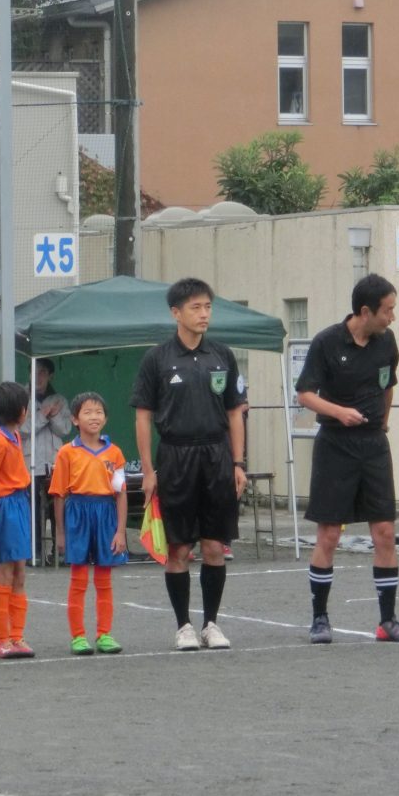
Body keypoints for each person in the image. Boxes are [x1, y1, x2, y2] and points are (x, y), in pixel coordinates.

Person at [295, 273, 399, 644]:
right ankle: (319, 619)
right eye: (388, 310)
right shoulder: (327, 342)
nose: (392, 317)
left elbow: (388, 386)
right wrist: (340, 412)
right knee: (329, 534)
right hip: (335, 445)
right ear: (366, 311)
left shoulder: (387, 342)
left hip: (374, 446)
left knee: (385, 532)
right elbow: (305, 394)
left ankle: (387, 621)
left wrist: (383, 422)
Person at [131, 278, 247, 652]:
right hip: (176, 458)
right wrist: (149, 470)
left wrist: (238, 463)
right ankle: (183, 626)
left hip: (216, 457)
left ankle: (211, 623)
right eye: (196, 307)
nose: (204, 314)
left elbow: (235, 412)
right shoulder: (157, 359)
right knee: (178, 549)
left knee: (214, 546)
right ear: (176, 313)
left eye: (208, 307)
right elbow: (143, 416)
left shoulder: (223, 355)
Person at [50, 391, 128, 656]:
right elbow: (59, 495)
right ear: (75, 419)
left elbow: (121, 493)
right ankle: (78, 637)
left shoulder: (115, 453)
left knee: (104, 579)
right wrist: (60, 533)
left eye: (99, 412)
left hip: (106, 514)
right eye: (87, 412)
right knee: (79, 579)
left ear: (105, 418)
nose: (94, 417)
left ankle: (104, 634)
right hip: (78, 514)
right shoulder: (66, 453)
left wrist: (120, 531)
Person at [0, 381, 35, 658]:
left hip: (19, 503)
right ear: (21, 411)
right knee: (6, 571)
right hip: (4, 507)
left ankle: (17, 637)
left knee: (20, 571)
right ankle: (2, 639)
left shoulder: (14, 436)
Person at [22, 358, 71, 563]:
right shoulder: (21, 398)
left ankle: (60, 551)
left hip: (54, 462)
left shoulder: (59, 399)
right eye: (34, 371)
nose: (38, 376)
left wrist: (54, 415)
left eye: (43, 372)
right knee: (31, 508)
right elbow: (21, 430)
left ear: (50, 376)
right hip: (29, 462)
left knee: (57, 506)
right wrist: (42, 415)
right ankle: (34, 552)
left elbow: (65, 430)